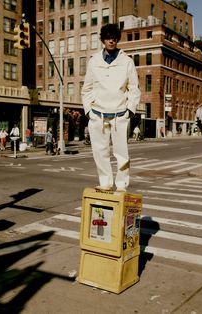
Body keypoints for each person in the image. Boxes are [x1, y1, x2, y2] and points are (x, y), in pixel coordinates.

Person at [81, 23, 141, 192]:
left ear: (117, 39)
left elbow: (134, 88)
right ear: (103, 39)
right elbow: (86, 88)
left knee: (121, 153)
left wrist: (129, 110)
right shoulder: (94, 61)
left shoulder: (127, 61)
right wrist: (88, 111)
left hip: (119, 114)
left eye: (114, 37)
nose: (111, 40)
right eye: (108, 37)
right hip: (97, 114)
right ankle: (105, 182)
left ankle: (121, 185)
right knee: (100, 151)